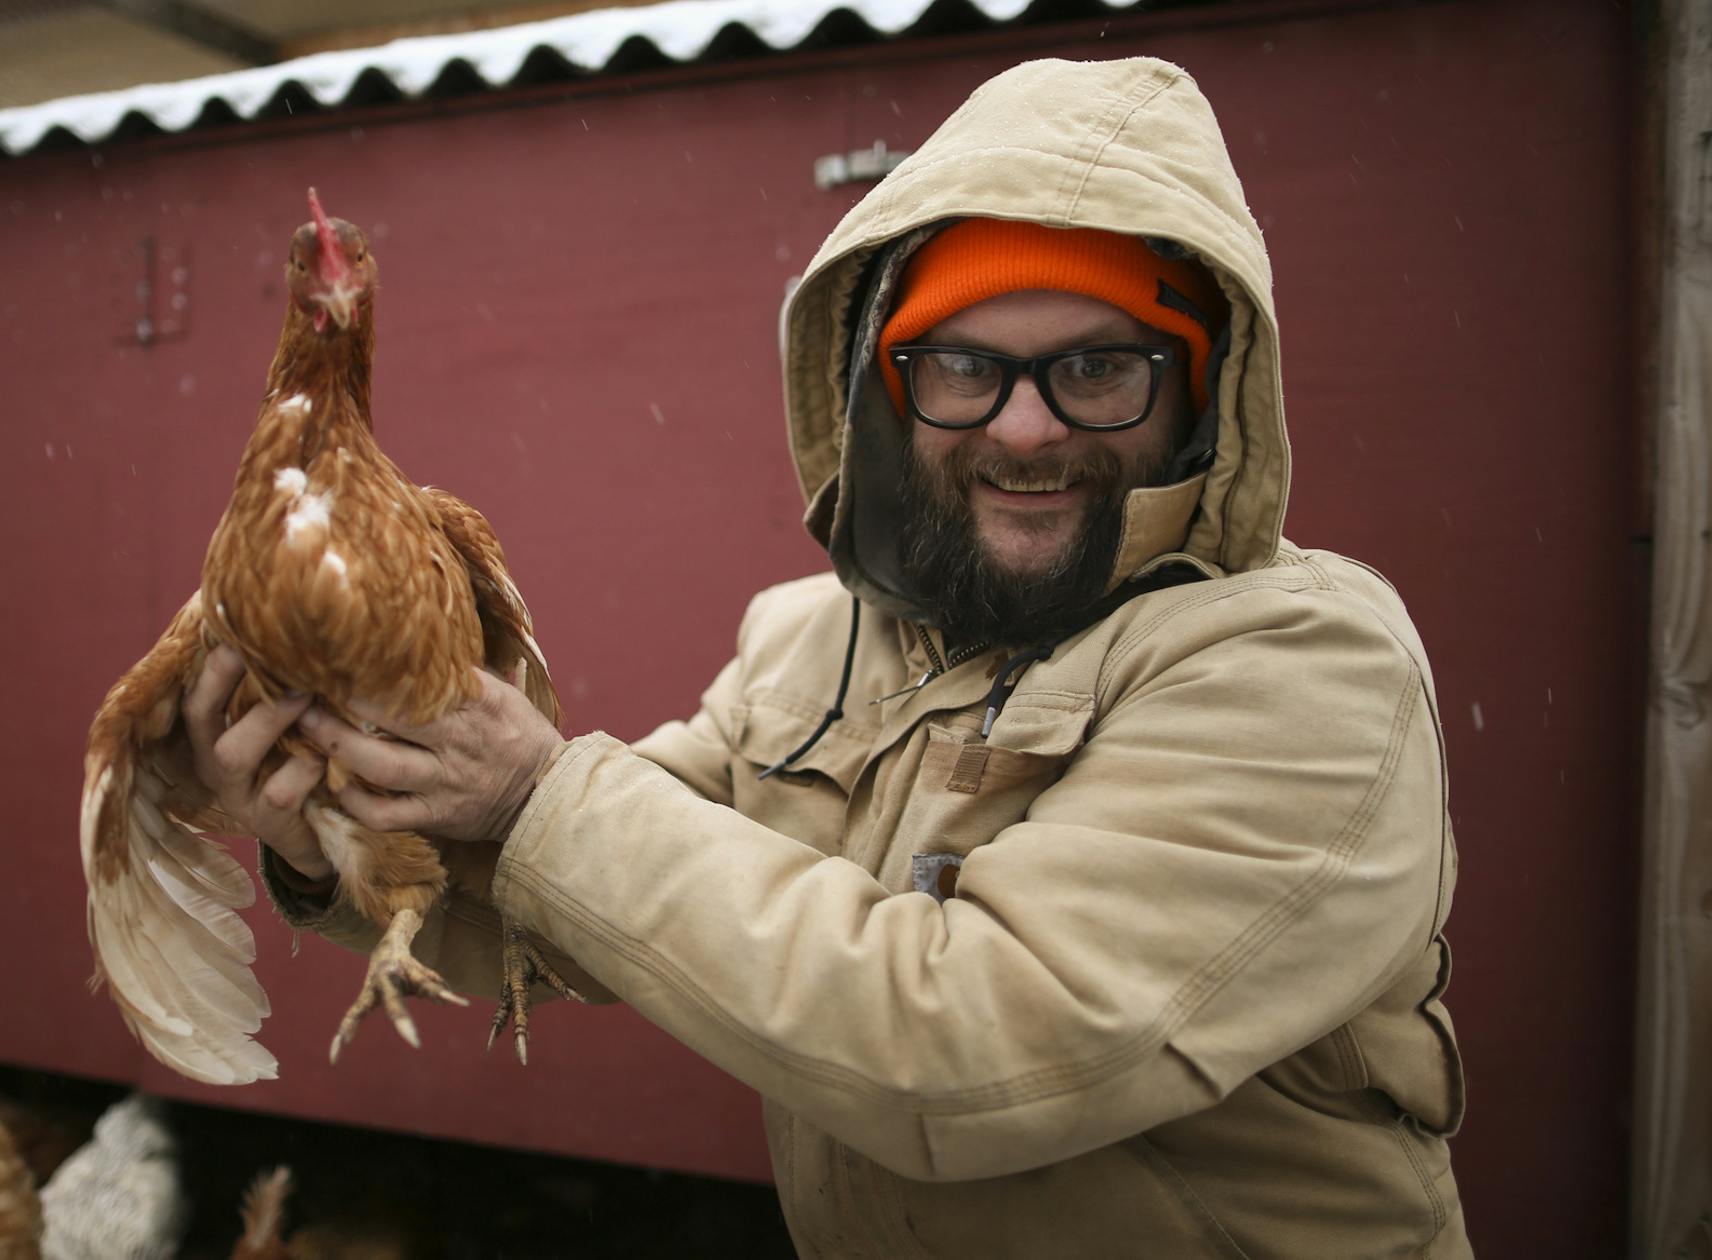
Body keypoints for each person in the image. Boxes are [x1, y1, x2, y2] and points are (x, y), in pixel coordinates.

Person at [188, 56, 1471, 1258]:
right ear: (889, 392)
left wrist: (539, 794)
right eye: (963, 365)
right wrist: (334, 840)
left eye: (1098, 367)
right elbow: (571, 909)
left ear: (1196, 391)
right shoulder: (818, 637)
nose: (1025, 428)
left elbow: (975, 1053)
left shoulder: (1304, 666)